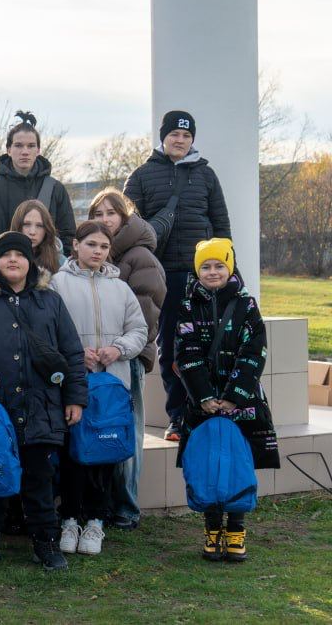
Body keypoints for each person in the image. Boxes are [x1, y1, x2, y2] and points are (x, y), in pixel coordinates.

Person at [0, 231, 87, 572]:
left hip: (40, 406)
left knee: (39, 480)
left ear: (30, 261)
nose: (13, 260)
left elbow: (71, 350)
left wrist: (75, 397)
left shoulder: (49, 301)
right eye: (5, 254)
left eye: (20, 254)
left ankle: (46, 543)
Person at [123, 110, 232, 441]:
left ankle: (207, 409)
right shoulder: (141, 176)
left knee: (206, 344)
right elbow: (130, 227)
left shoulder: (207, 176)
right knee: (170, 346)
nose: (180, 140)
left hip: (202, 274)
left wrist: (229, 269)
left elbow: (222, 224)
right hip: (161, 273)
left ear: (192, 140)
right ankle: (178, 416)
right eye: (175, 134)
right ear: (163, 137)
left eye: (186, 136)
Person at [49, 221, 147, 557]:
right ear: (75, 245)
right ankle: (70, 519)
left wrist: (118, 348)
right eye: (91, 244)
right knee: (74, 452)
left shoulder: (121, 288)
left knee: (105, 453)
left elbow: (139, 329)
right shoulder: (58, 284)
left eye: (104, 247)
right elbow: (49, 330)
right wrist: (76, 353)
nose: (97, 252)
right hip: (74, 384)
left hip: (112, 386)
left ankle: (96, 522)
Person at [174, 238, 276, 563]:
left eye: (219, 265)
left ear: (229, 267)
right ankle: (212, 527)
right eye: (206, 266)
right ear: (197, 269)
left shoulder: (247, 305)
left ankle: (236, 529)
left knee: (238, 464)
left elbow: (254, 352)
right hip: (200, 404)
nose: (213, 271)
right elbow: (186, 353)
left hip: (242, 404)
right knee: (207, 464)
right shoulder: (187, 306)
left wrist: (234, 396)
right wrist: (203, 396)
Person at [88, 188, 166, 529]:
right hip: (100, 358)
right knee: (102, 429)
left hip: (128, 357)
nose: (105, 219)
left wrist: (120, 348)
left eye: (111, 213)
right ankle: (102, 503)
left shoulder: (138, 256)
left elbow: (146, 316)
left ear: (124, 216)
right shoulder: (98, 254)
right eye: (98, 213)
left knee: (127, 430)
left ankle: (127, 507)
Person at [0, 111, 75, 261]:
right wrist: (0, 261)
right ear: (8, 149)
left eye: (31, 146)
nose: (25, 151)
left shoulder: (56, 189)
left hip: (48, 273)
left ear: (38, 150)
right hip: (4, 273)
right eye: (18, 145)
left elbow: (68, 237)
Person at [10, 199, 65, 274]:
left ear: (47, 229)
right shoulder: (4, 259)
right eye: (26, 224)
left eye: (39, 226)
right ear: (17, 226)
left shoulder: (61, 263)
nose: (32, 232)